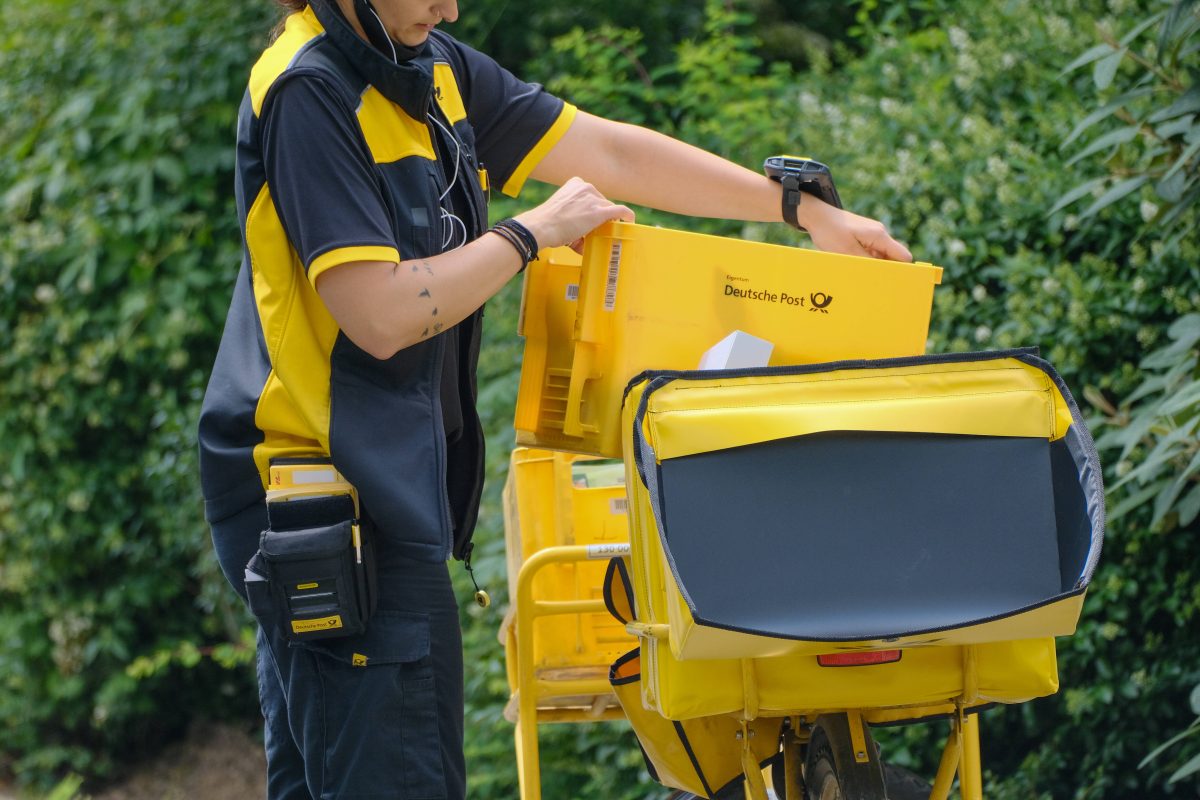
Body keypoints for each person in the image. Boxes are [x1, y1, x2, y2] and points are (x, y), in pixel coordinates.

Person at [197, 1, 913, 797]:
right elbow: (381, 316)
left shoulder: (426, 68)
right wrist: (529, 232)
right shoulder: (311, 93)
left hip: (367, 494)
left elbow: (605, 150)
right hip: (333, 502)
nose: (450, 8)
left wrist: (800, 208)